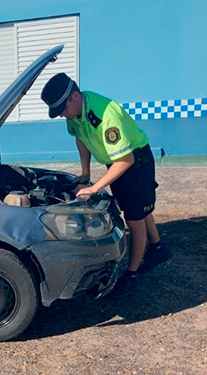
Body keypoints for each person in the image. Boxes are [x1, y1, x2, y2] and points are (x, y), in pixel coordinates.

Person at [41, 73, 172, 297]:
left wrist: (93, 188)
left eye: (63, 108)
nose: (62, 114)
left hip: (134, 162)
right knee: (139, 209)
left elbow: (126, 160)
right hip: (116, 162)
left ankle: (130, 276)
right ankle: (158, 249)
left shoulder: (105, 114)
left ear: (74, 96)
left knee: (134, 218)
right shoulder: (76, 113)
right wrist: (85, 172)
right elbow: (80, 138)